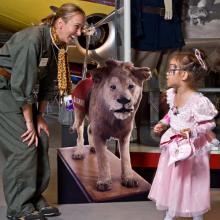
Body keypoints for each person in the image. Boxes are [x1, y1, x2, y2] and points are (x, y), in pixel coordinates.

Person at [0, 3, 85, 220]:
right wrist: (30, 122)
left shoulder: (56, 45)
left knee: (43, 138)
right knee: (25, 145)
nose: (79, 33)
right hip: (4, 90)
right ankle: (18, 207)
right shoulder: (32, 40)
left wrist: (39, 117)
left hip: (18, 91)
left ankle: (34, 198)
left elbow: (48, 83)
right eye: (76, 27)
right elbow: (22, 86)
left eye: (81, 28)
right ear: (59, 23)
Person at [148, 49, 219, 220]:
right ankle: (171, 209)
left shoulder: (198, 101)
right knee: (172, 177)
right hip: (174, 143)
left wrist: (193, 131)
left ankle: (196, 212)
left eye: (172, 69)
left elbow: (210, 123)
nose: (167, 73)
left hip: (191, 147)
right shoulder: (172, 94)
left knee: (192, 180)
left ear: (184, 75)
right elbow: (172, 113)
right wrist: (163, 123)